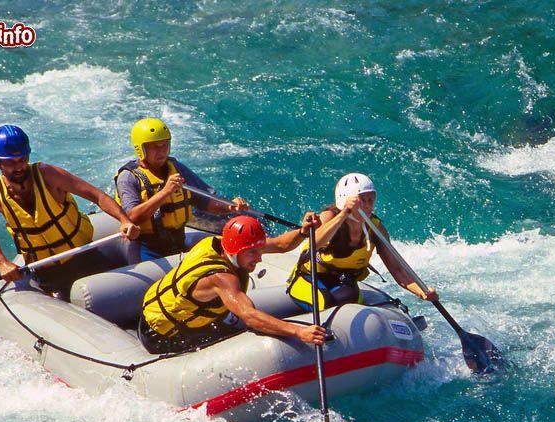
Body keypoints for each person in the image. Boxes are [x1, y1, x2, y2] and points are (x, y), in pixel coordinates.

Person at [0, 125, 140, 296]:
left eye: (22, 159)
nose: (19, 167)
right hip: (45, 270)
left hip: (84, 256)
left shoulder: (49, 175)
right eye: (11, 162)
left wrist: (124, 220)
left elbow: (97, 196)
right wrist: (1, 262)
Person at [140, 215, 325, 355]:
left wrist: (302, 232)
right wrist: (300, 332)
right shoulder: (222, 279)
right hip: (163, 335)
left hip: (171, 312)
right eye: (253, 253)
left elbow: (280, 245)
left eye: (258, 250)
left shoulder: (225, 245)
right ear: (236, 251)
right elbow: (251, 317)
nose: (259, 258)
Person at [286, 172, 437, 311]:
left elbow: (397, 270)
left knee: (349, 300)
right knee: (325, 303)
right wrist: (344, 213)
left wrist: (421, 292)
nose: (367, 206)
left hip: (342, 281)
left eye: (371, 200)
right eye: (362, 201)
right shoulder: (329, 217)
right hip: (309, 278)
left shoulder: (376, 229)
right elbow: (315, 243)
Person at [113, 118, 251, 261]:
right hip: (145, 248)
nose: (161, 151)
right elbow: (131, 218)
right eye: (155, 146)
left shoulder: (177, 168)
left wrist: (230, 207)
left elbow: (206, 202)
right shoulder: (128, 177)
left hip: (178, 241)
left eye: (164, 145)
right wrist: (165, 192)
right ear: (141, 149)